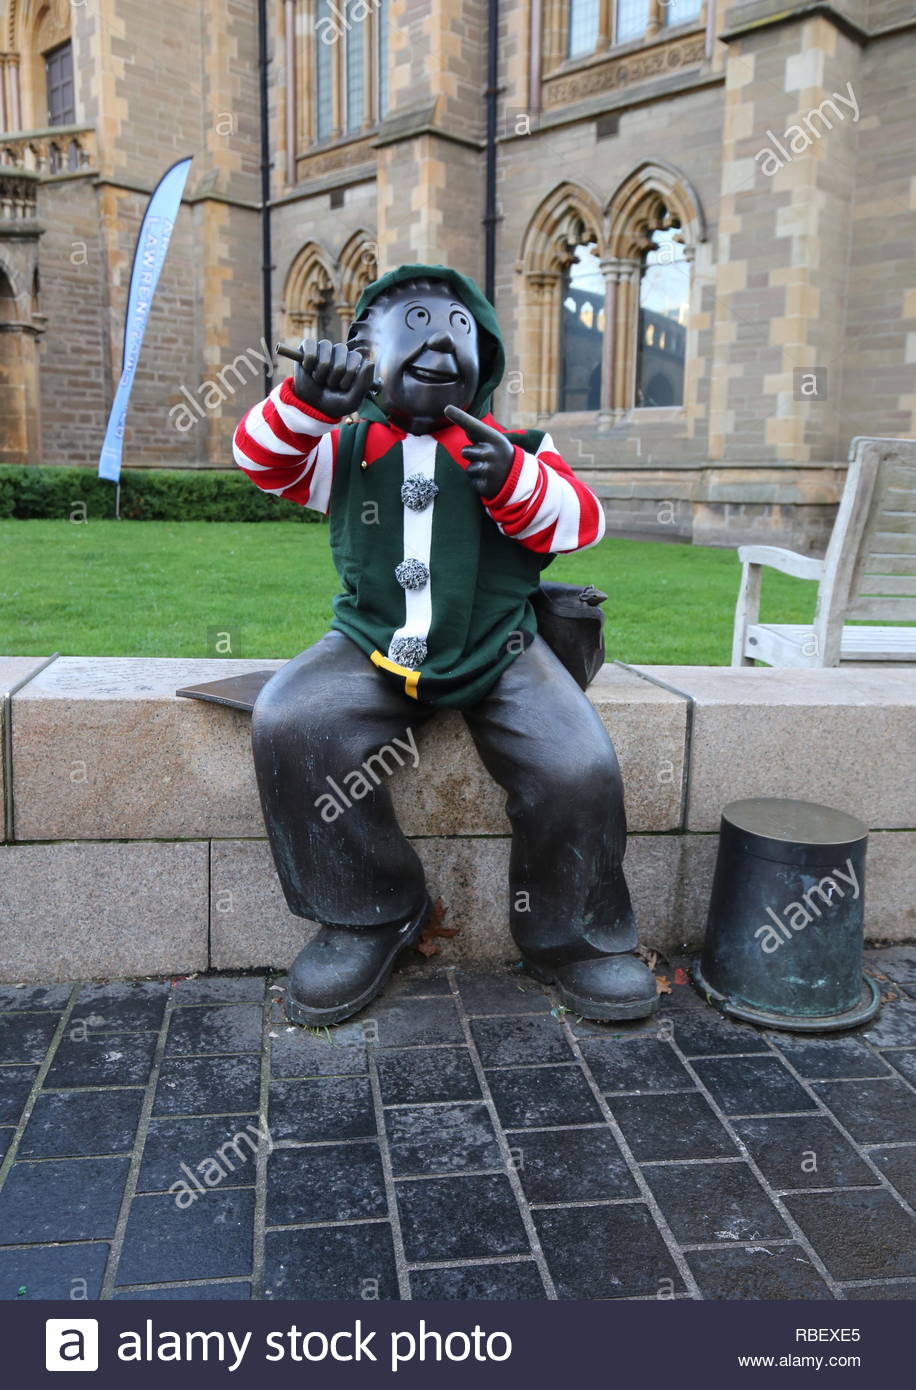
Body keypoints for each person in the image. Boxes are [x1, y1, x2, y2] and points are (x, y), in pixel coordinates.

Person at [233, 263, 657, 1026]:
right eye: (417, 325)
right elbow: (262, 465)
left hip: (503, 649)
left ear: (484, 361)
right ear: (364, 351)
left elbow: (579, 523)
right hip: (372, 644)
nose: (440, 343)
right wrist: (301, 406)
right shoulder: (345, 445)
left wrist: (516, 480)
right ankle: (370, 912)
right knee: (291, 722)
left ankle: (576, 936)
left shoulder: (519, 444)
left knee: (577, 764)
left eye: (460, 330)